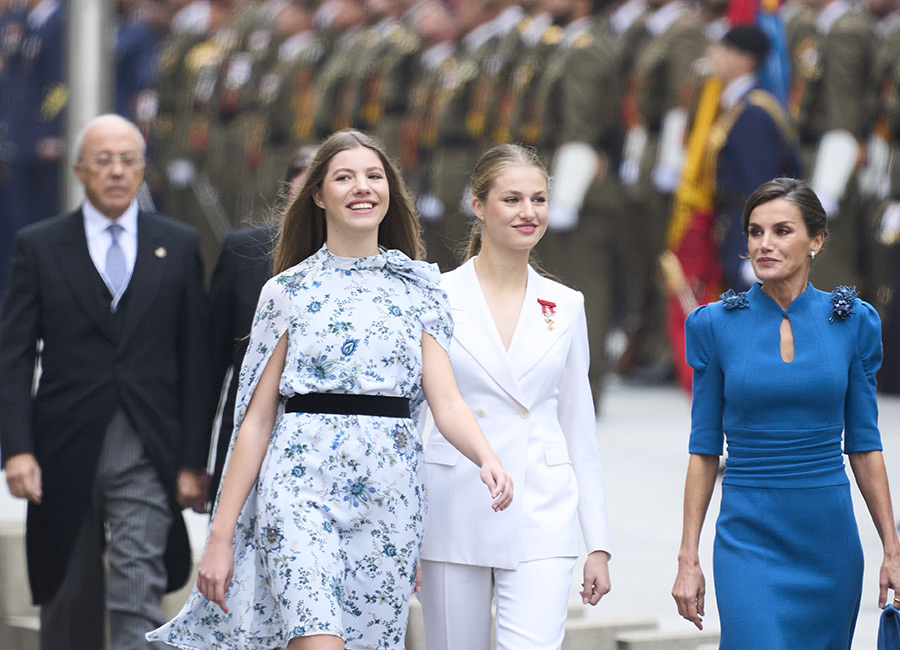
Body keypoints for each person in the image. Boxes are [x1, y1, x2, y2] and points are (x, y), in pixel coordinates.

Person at [148, 129, 513, 650]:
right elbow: (254, 420)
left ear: (390, 191)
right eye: (344, 177)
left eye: (373, 176)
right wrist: (220, 538)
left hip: (390, 494)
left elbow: (446, 399)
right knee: (318, 639)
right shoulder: (286, 291)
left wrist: (485, 456)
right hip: (299, 488)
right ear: (318, 195)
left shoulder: (421, 288)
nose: (361, 187)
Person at [0, 113, 210, 649]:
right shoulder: (40, 245)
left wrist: (192, 459)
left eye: (127, 160)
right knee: (67, 592)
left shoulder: (178, 244)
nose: (116, 172)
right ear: (79, 171)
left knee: (138, 588)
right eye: (103, 161)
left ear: (143, 169)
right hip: (62, 447)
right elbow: (15, 355)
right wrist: (17, 450)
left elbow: (196, 360)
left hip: (146, 445)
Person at [671, 177, 900, 648]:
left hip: (828, 540)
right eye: (755, 232)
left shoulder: (853, 322)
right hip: (747, 537)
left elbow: (864, 443)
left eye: (781, 231)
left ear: (816, 240)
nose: (764, 244)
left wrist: (891, 548)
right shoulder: (715, 325)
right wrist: (687, 556)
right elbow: (703, 448)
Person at [418, 144, 611, 650]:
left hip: (541, 508)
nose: (529, 212)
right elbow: (417, 413)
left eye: (539, 199)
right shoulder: (434, 295)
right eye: (512, 199)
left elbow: (577, 425)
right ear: (478, 206)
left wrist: (599, 543)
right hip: (454, 501)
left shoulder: (566, 305)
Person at [205, 144, 318, 506]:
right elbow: (210, 366)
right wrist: (192, 463)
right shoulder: (244, 251)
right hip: (247, 437)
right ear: (290, 191)